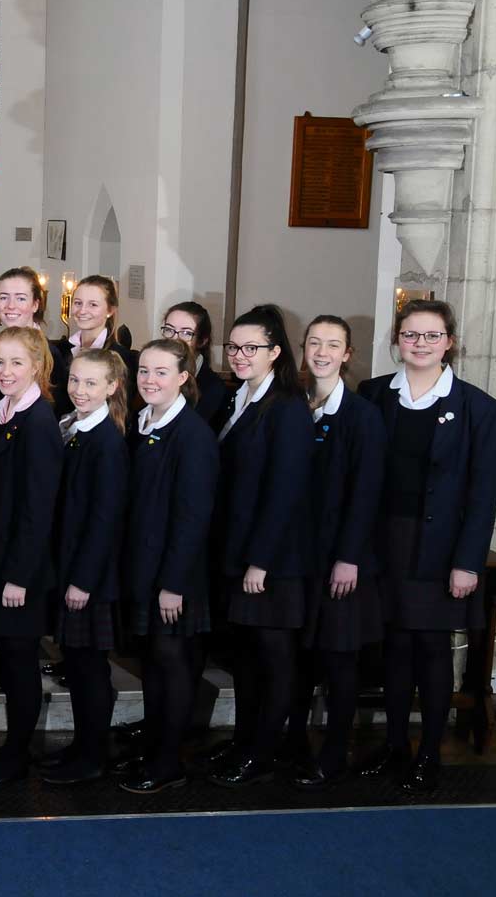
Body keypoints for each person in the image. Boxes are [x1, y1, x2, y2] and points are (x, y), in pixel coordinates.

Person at [356, 299, 496, 794]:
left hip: (440, 549)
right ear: (397, 340)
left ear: (449, 342)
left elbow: (483, 495)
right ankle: (396, 747)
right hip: (385, 544)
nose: (420, 344)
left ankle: (430, 754)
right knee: (393, 647)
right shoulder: (373, 395)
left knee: (432, 650)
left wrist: (467, 563)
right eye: (411, 335)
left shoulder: (478, 407)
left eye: (431, 336)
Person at [206, 305, 313, 788]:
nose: (240, 355)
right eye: (233, 347)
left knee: (273, 657)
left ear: (275, 352)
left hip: (272, 560)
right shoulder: (240, 398)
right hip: (239, 550)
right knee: (246, 657)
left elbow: (286, 491)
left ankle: (266, 749)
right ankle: (245, 739)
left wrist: (261, 561)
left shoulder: (287, 406)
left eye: (252, 348)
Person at [285, 315, 385, 789]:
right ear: (303, 349)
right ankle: (294, 744)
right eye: (315, 343)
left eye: (333, 345)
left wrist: (350, 557)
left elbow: (368, 494)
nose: (322, 352)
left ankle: (334, 752)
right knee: (301, 660)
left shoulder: (363, 416)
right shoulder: (292, 405)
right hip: (298, 557)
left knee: (340, 661)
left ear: (348, 355)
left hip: (341, 561)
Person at [116, 339, 218, 794]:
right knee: (153, 665)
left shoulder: (192, 435)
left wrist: (173, 584)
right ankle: (153, 749)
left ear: (183, 378)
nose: (150, 380)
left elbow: (193, 516)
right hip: (143, 569)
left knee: (172, 664)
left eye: (161, 372)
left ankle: (168, 761)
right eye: (144, 371)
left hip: (174, 577)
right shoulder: (140, 423)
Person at [0, 327, 62, 789]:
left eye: (16, 363)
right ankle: (10, 747)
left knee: (21, 663)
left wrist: (19, 576)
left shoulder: (38, 423)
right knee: (8, 658)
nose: (5, 372)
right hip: (0, 560)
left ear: (38, 367)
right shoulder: (5, 413)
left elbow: (37, 510)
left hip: (21, 572)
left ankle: (18, 756)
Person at [44, 348, 130, 786]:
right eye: (75, 380)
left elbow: (104, 519)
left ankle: (94, 754)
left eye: (91, 383)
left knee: (92, 668)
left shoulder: (108, 442)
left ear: (112, 388)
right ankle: (81, 744)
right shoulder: (73, 426)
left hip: (89, 578)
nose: (80, 390)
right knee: (76, 665)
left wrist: (82, 581)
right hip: (70, 567)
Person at [51, 276, 137, 416]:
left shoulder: (122, 358)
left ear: (110, 310)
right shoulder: (60, 350)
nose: (82, 311)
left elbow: (120, 410)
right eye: (78, 303)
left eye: (93, 305)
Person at [160, 301, 229, 431]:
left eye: (186, 333)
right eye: (169, 330)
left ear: (202, 341)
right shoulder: (155, 373)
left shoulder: (212, 387)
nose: (174, 339)